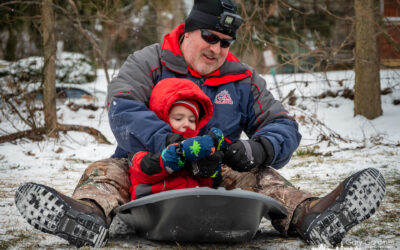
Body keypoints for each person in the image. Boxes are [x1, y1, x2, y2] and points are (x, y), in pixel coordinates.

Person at [14, 0, 385, 248]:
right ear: (189, 31)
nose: (217, 49)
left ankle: (311, 216)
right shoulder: (149, 63)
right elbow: (122, 108)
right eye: (210, 37)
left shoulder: (243, 79)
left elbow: (283, 125)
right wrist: (174, 147)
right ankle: (88, 217)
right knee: (106, 169)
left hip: (215, 171)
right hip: (150, 165)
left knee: (262, 174)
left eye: (226, 42)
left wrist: (254, 149)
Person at [129, 77, 225, 200]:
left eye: (192, 120)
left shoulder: (196, 149)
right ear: (161, 119)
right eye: (178, 118)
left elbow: (206, 186)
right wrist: (177, 154)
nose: (186, 124)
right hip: (153, 204)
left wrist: (211, 171)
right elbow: (143, 170)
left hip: (192, 205)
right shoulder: (145, 144)